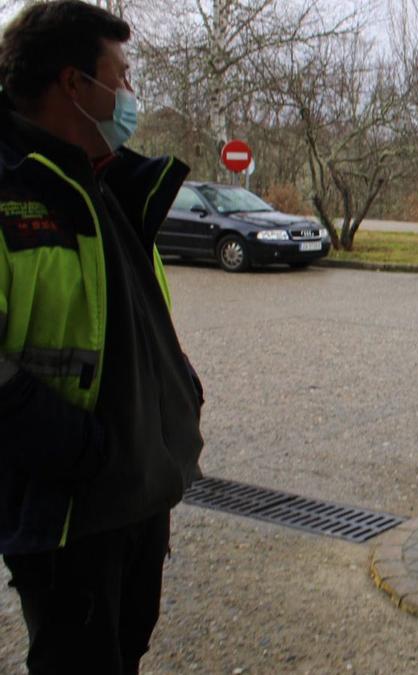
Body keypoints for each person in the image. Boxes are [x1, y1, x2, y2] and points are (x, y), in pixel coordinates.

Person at [0, 2, 204, 673]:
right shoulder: (13, 191)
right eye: (122, 76)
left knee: (123, 654)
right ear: (73, 84)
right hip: (68, 517)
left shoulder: (110, 182)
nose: (131, 94)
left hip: (137, 503)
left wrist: (180, 387)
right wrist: (78, 448)